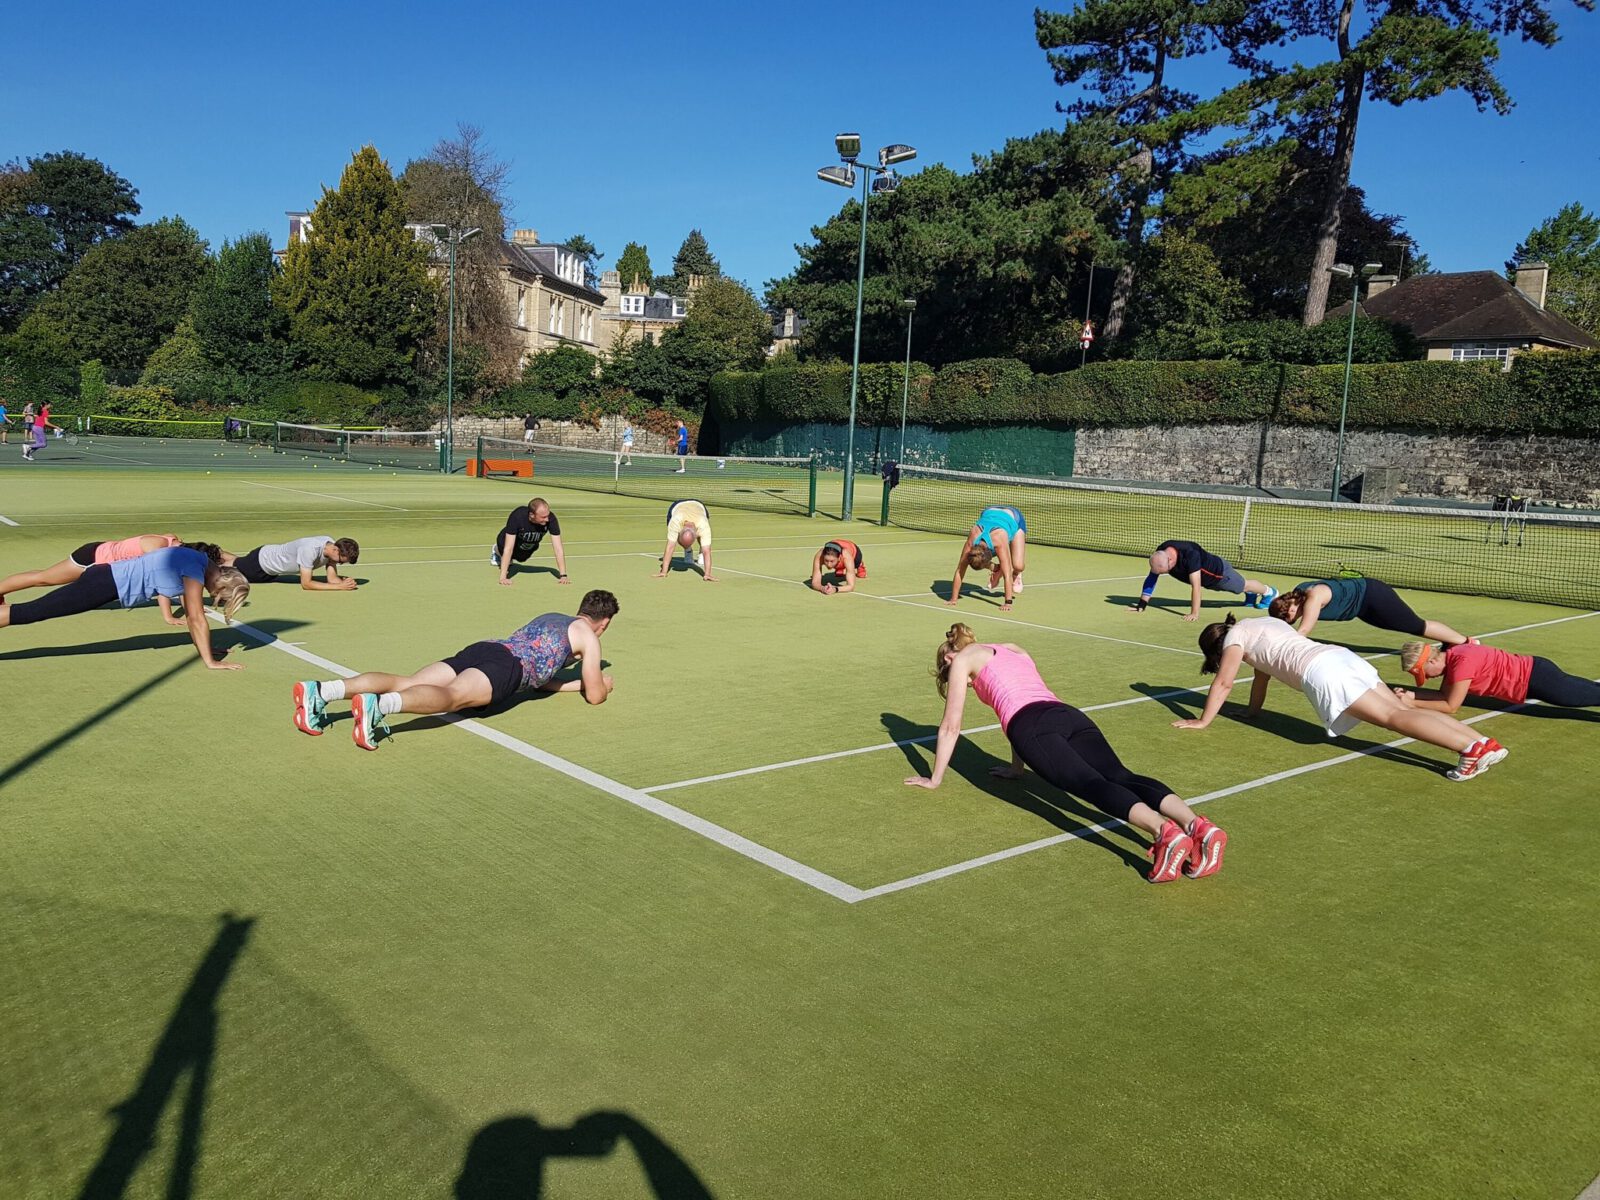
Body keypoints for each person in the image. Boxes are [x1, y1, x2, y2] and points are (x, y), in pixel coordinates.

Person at [906, 623, 1227, 882]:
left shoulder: (962, 660)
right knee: (1121, 775)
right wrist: (1017, 769)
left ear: (949, 659)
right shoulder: (1012, 649)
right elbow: (1018, 698)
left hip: (1032, 727)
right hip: (1067, 714)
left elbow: (951, 726)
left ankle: (1164, 835)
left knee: (1090, 785)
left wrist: (935, 778)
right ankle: (1198, 827)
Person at [1177, 613, 1508, 782]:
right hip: (1341, 657)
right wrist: (1252, 713)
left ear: (1216, 647)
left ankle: (1468, 751)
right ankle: (1481, 742)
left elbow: (1224, 683)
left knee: (1394, 717)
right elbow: (1261, 679)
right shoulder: (1260, 625)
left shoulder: (1235, 640)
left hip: (1323, 673)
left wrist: (1204, 720)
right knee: (1399, 706)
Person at [292, 589, 619, 749]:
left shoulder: (552, 618)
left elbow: (541, 681)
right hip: (506, 667)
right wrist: (602, 683)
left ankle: (322, 691)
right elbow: (595, 696)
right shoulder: (588, 635)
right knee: (451, 698)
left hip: (487, 649)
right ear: (603, 622)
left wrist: (568, 683)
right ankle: (380, 707)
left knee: (408, 681)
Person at [0, 545, 249, 669]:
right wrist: (210, 661)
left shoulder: (197, 561)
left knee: (34, 610)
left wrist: (207, 646)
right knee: (30, 612)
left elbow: (193, 618)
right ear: (223, 583)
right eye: (220, 596)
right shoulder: (197, 569)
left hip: (104, 579)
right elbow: (196, 618)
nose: (215, 598)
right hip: (103, 584)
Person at [1395, 639, 1600, 714]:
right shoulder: (1455, 656)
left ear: (1431, 661)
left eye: (1423, 673)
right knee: (1589, 692)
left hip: (1535, 679)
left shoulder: (1461, 665)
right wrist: (1412, 695)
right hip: (1536, 671)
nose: (1426, 678)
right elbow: (1443, 695)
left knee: (1583, 697)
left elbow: (1451, 706)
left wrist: (1412, 704)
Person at [1269, 576, 1470, 645]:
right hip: (1362, 610)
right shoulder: (1299, 591)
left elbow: (1304, 631)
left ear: (1291, 607)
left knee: (1416, 625)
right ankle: (1451, 641)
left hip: (1373, 596)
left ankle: (1466, 642)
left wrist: (1283, 644)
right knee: (1404, 627)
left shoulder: (1312, 597)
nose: (1290, 620)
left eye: (1288, 617)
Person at [0, 533, 189, 601]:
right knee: (43, 579)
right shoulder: (158, 550)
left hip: (99, 551)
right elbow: (162, 583)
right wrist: (169, 617)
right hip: (92, 558)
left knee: (44, 577)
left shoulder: (171, 539)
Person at [1132, 540, 1276, 621]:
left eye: (1166, 570)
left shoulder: (1190, 554)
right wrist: (1142, 603)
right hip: (1208, 580)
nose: (1167, 573)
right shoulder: (1161, 553)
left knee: (1243, 585)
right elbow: (1152, 577)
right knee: (1240, 588)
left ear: (1170, 560)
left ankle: (1269, 592)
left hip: (1219, 574)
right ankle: (1251, 595)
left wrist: (1194, 613)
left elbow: (1196, 587)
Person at [947, 506, 1027, 611]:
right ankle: (996, 568)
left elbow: (1007, 575)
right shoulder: (972, 539)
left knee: (1017, 565)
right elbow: (959, 570)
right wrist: (954, 598)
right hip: (989, 511)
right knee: (1000, 564)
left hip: (1014, 518)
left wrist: (1008, 603)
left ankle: (1015, 573)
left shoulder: (999, 539)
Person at [226, 536, 360, 590]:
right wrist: (339, 587)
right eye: (341, 561)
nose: (340, 564)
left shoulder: (330, 544)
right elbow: (306, 584)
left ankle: (218, 554)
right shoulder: (310, 550)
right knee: (225, 571)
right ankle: (212, 556)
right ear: (336, 550)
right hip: (260, 563)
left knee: (236, 562)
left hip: (270, 572)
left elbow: (331, 578)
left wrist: (345, 583)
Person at [492, 498, 569, 586]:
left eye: (547, 515)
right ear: (532, 515)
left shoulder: (551, 519)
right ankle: (496, 550)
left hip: (528, 544)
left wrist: (563, 575)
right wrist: (503, 577)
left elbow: (558, 548)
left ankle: (512, 557)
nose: (547, 519)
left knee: (522, 558)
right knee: (506, 552)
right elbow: (508, 548)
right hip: (507, 540)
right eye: (543, 517)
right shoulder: (518, 516)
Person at [654, 499, 716, 581]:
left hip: (698, 505)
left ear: (696, 533)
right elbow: (670, 547)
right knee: (673, 537)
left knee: (703, 542)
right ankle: (688, 550)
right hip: (677, 506)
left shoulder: (703, 525)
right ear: (680, 530)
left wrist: (707, 574)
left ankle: (700, 554)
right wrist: (664, 571)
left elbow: (707, 551)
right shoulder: (675, 522)